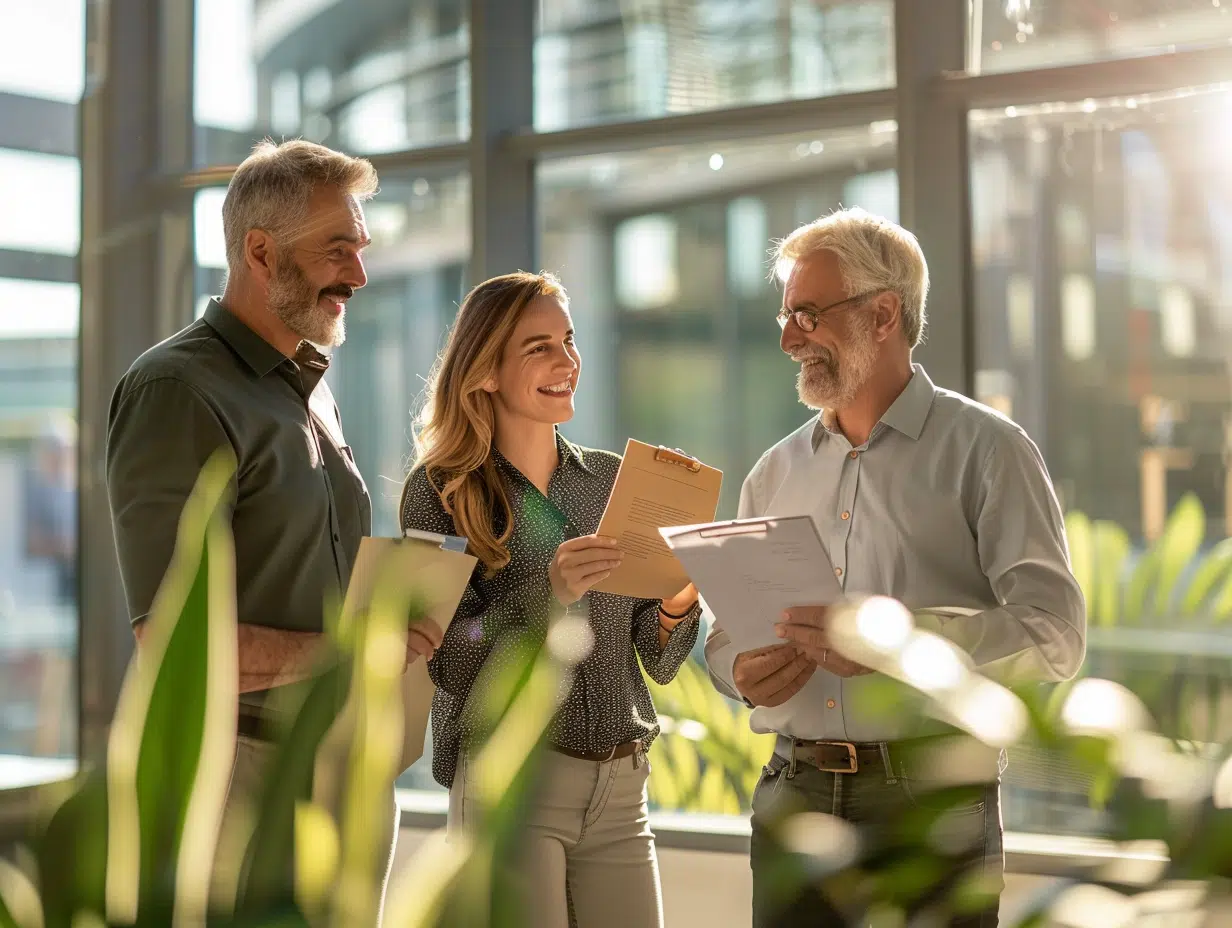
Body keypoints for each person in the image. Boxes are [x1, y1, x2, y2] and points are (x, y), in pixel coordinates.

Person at [704, 208, 1087, 927]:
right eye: (786, 317)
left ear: (883, 315)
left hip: (933, 799)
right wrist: (736, 671)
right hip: (792, 791)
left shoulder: (990, 452)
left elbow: (1054, 634)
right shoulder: (773, 471)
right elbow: (725, 640)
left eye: (809, 316)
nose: (790, 340)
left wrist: (905, 647)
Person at [105, 139, 440, 919]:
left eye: (359, 248)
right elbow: (171, 642)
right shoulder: (175, 389)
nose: (358, 274)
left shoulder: (310, 387)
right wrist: (351, 650)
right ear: (260, 251)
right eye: (337, 250)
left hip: (344, 761)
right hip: (242, 773)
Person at [399, 271, 701, 928]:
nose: (568, 363)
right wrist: (547, 596)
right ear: (483, 371)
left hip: (623, 791)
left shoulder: (611, 483)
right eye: (540, 347)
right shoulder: (439, 493)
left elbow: (659, 658)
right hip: (514, 783)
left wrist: (680, 593)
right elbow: (449, 661)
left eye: (569, 340)